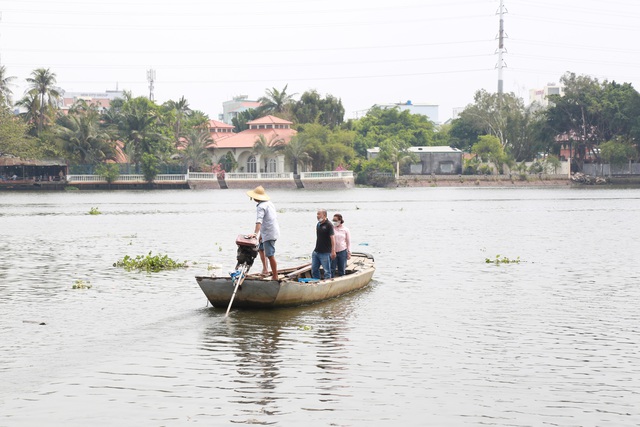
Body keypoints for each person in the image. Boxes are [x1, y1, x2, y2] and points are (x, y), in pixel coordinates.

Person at [246, 185, 280, 280]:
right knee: (261, 248)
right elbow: (268, 220)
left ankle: (275, 276)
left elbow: (259, 220)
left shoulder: (261, 206)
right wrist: (260, 235)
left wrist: (255, 234)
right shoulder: (269, 203)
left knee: (270, 255)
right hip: (269, 231)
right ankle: (265, 269)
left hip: (269, 233)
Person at [312, 209, 336, 280]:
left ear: (324, 215)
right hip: (316, 251)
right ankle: (316, 281)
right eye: (317, 214)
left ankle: (327, 283)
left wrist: (333, 251)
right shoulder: (318, 224)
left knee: (327, 271)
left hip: (325, 252)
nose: (317, 216)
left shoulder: (329, 225)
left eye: (319, 214)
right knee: (314, 269)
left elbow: (333, 239)